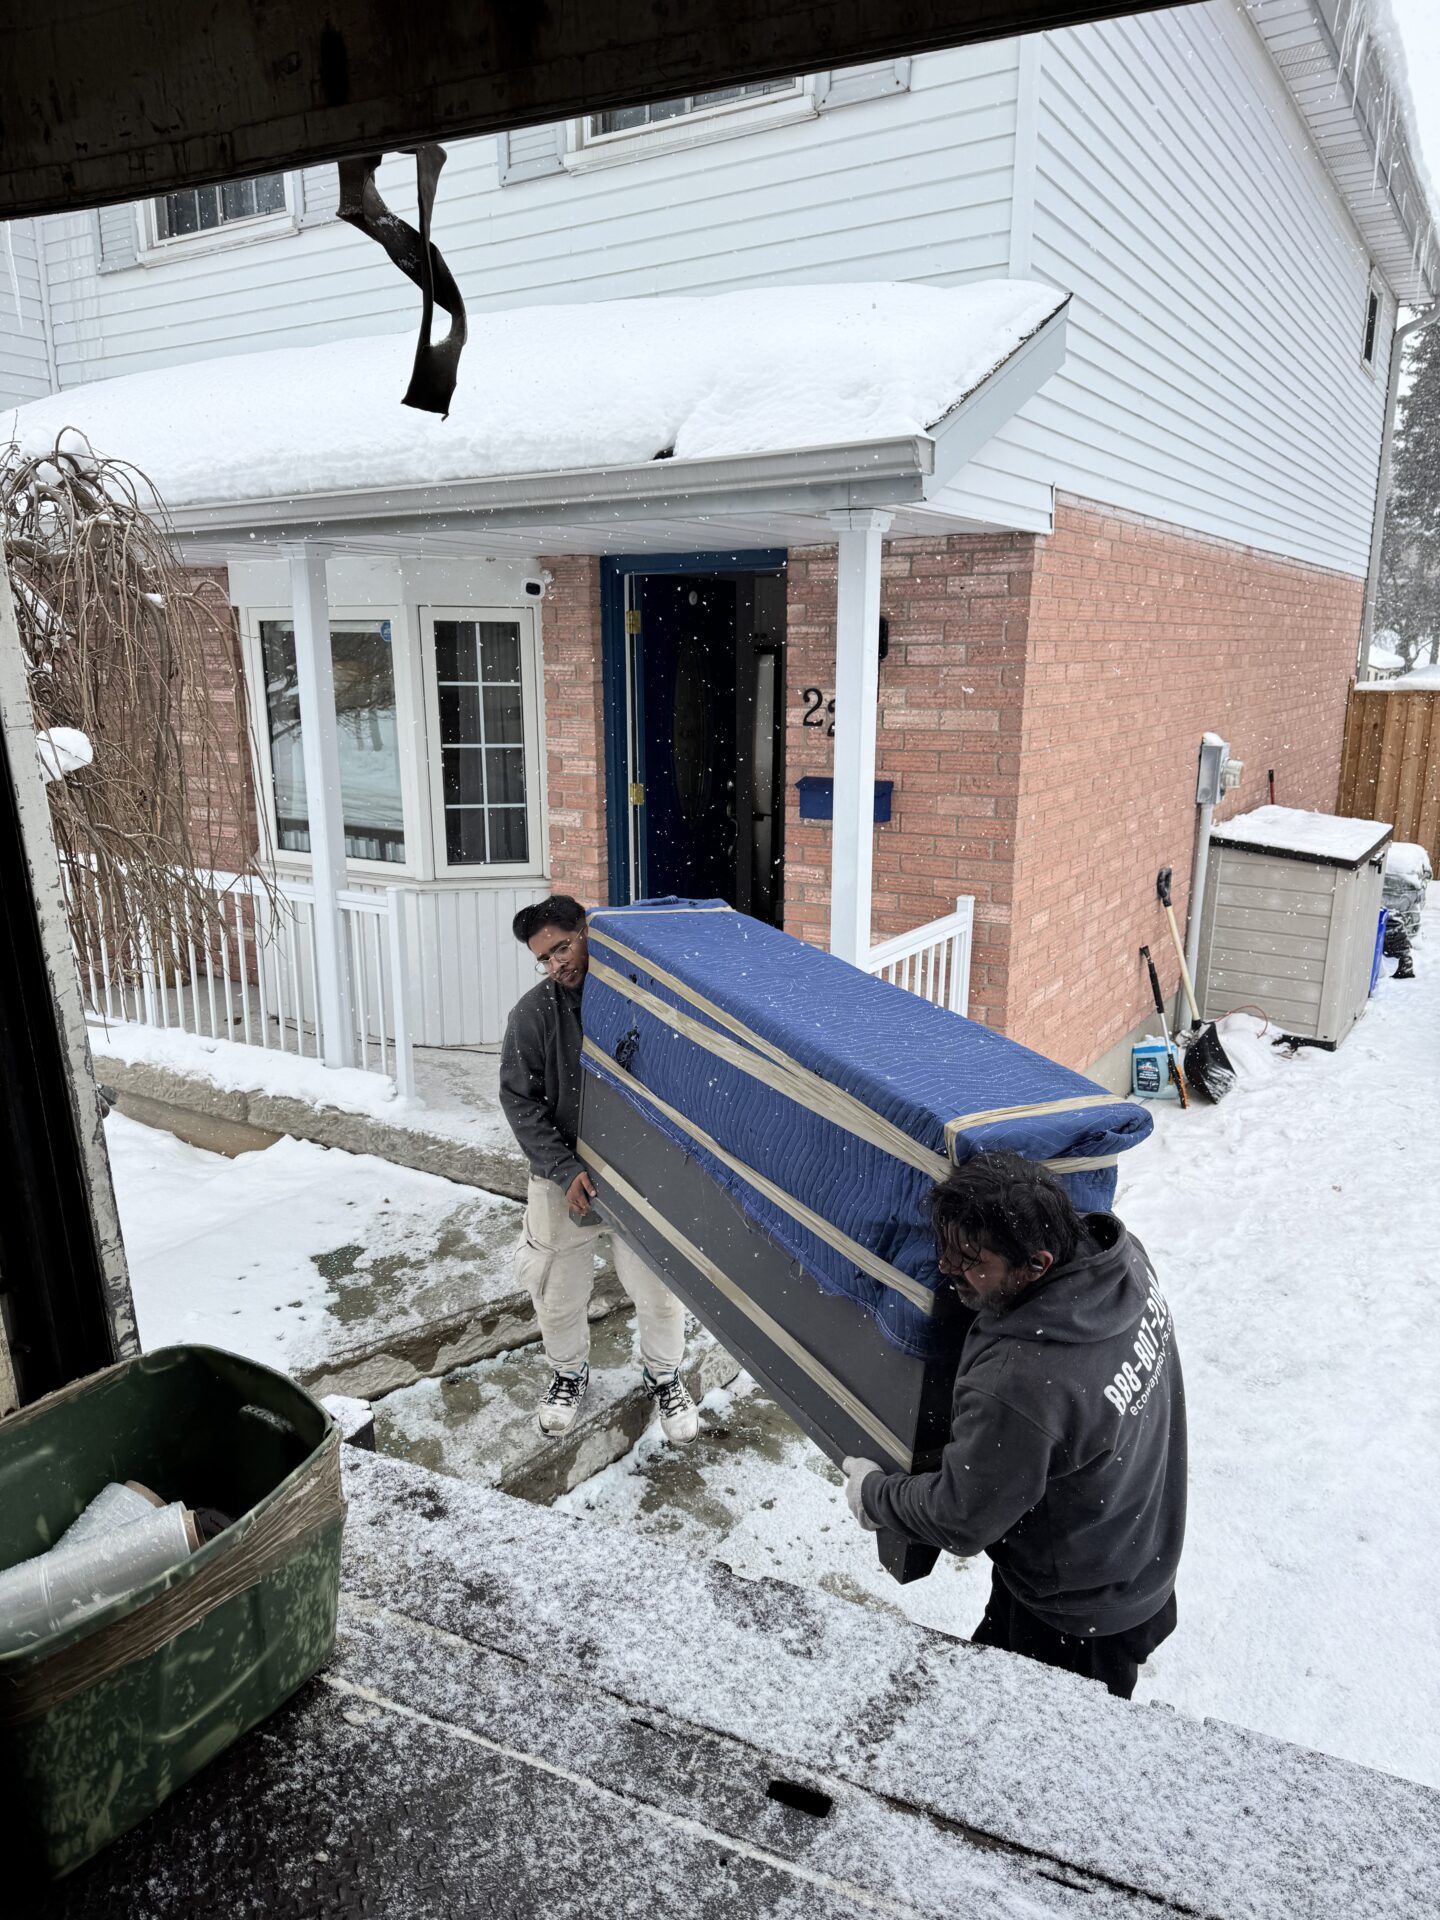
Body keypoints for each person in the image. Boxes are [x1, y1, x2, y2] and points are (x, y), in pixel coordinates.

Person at [842, 1151, 1185, 1699]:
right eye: (948, 1250)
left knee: (1027, 1756)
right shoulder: (1122, 1267)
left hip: (1074, 1620)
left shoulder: (1022, 1381)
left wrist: (874, 1496)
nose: (949, 1271)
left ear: (1038, 1263)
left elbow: (960, 1518)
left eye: (974, 1260)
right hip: (1126, 1551)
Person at [500, 894, 699, 1444]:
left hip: (637, 1176)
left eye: (561, 947)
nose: (556, 963)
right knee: (557, 1288)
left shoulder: (638, 997)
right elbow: (520, 1103)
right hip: (562, 1177)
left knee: (658, 1286)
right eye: (543, 957)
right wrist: (564, 1171)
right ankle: (567, 1373)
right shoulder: (532, 1016)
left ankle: (664, 1374)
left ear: (585, 931)